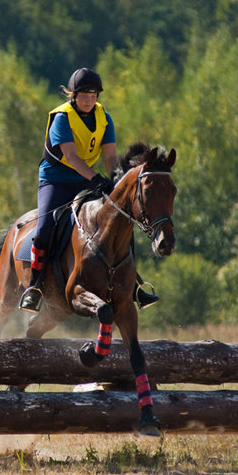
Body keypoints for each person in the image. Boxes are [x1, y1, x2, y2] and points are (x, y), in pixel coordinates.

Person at [18, 67, 159, 312]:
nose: (89, 100)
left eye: (93, 95)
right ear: (73, 95)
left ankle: (135, 285)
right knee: (45, 228)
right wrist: (95, 179)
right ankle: (35, 286)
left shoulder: (104, 117)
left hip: (86, 179)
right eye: (84, 95)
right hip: (56, 179)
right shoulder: (62, 117)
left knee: (120, 219)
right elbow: (71, 156)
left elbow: (111, 157)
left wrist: (116, 182)